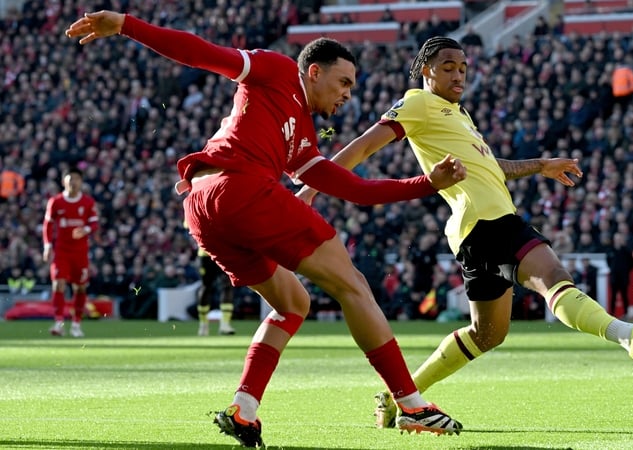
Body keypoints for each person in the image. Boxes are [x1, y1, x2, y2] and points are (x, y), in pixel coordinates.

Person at [65, 12, 466, 447]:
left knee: (293, 302)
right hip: (240, 188)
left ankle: (244, 407)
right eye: (344, 82)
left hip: (202, 208)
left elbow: (357, 190)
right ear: (314, 71)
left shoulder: (303, 139)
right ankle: (410, 403)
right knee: (352, 284)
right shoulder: (276, 70)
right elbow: (203, 54)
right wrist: (126, 24)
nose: (349, 93)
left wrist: (427, 183)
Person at [297, 36, 633, 428]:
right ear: (426, 71)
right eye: (448, 67)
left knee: (487, 333)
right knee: (555, 278)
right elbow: (361, 147)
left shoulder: (459, 115)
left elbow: (494, 166)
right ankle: (628, 335)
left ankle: (399, 401)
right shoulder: (418, 103)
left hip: (474, 231)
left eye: (463, 68)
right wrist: (311, 186)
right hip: (490, 221)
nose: (458, 75)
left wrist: (540, 164)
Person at [42, 167, 98, 338]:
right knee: (58, 283)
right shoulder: (56, 201)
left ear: (81, 182)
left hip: (80, 252)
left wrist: (86, 229)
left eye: (76, 178)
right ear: (63, 181)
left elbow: (95, 224)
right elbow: (48, 224)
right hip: (62, 250)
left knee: (80, 287)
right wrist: (47, 245)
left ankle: (76, 324)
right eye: (70, 178)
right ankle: (59, 322)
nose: (73, 182)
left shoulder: (88, 202)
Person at [196, 245, 237, 336]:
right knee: (206, 287)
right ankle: (203, 324)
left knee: (226, 285)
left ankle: (225, 324)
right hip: (207, 252)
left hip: (222, 252)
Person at [606, 232, 633, 318]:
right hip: (614, 277)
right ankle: (611, 313)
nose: (618, 240)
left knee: (624, 295)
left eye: (619, 239)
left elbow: (632, 263)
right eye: (616, 239)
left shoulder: (626, 251)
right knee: (613, 296)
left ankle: (626, 313)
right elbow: (608, 262)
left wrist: (625, 271)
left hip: (624, 277)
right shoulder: (610, 250)